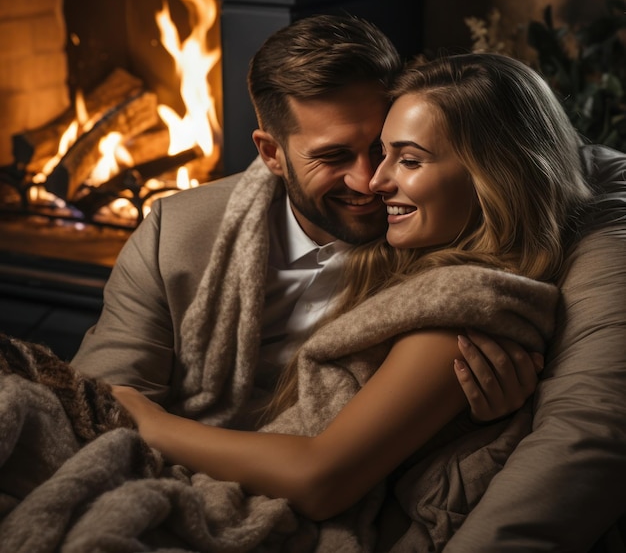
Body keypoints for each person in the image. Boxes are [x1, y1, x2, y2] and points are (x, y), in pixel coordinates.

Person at [110, 52, 592, 545]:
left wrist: (146, 420)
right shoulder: (422, 259)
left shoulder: (466, 306)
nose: (375, 182)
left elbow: (321, 480)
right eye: (380, 154)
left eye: (407, 159)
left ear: (493, 174)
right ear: (272, 153)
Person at [71, 14, 538, 429]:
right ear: (272, 153)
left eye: (381, 147)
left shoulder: (444, 232)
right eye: (333, 156)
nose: (368, 179)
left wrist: (477, 417)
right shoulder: (174, 232)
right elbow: (103, 401)